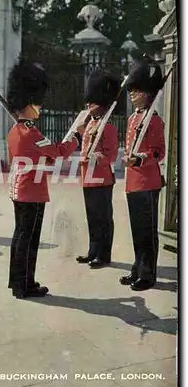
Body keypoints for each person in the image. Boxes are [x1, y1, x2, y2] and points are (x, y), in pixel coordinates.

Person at [6, 59, 85, 299]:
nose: (39, 108)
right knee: (28, 239)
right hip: (32, 191)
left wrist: (45, 160)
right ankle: (25, 284)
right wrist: (77, 137)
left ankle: (19, 282)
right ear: (28, 105)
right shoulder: (32, 133)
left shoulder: (14, 131)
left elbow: (31, 158)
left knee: (21, 236)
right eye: (36, 104)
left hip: (18, 189)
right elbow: (58, 151)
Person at [120, 58, 165, 291]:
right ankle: (137, 268)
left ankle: (148, 275)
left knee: (147, 232)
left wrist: (138, 159)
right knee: (137, 231)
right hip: (133, 181)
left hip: (148, 181)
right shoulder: (133, 118)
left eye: (136, 91)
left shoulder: (154, 120)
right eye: (131, 91)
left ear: (148, 94)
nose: (132, 95)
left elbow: (159, 152)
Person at [76, 70, 119, 268]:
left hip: (102, 178)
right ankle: (93, 250)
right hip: (87, 176)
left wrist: (101, 157)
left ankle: (104, 254)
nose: (88, 106)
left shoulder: (108, 127)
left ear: (101, 105)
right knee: (92, 217)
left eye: (92, 103)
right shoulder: (89, 125)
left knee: (103, 218)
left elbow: (112, 155)